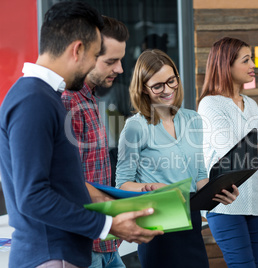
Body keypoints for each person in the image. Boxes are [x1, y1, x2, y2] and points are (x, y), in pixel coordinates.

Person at [0, 2, 162, 268]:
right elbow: (32, 197)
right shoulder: (34, 100)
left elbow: (66, 184)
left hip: (58, 253)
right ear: (77, 50)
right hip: (52, 255)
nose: (94, 67)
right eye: (96, 55)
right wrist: (107, 224)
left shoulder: (41, 96)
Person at [115, 49, 239, 268]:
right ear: (143, 88)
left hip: (190, 222)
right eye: (157, 86)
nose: (168, 90)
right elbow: (122, 183)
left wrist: (219, 191)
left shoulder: (193, 119)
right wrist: (154, 188)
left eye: (171, 81)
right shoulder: (136, 127)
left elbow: (199, 175)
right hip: (156, 226)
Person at [197, 37, 258, 268]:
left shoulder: (251, 104)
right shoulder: (210, 104)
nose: (253, 65)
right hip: (226, 206)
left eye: (252, 59)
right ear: (227, 65)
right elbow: (231, 152)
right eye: (246, 60)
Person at [62, 15, 129, 268]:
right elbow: (69, 183)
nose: (120, 69)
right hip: (85, 246)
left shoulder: (88, 98)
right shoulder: (69, 102)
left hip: (106, 243)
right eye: (111, 61)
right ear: (86, 55)